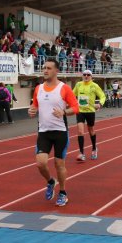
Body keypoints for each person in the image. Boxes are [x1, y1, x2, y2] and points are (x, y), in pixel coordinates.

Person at [28, 59, 79, 207]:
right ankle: (51, 181)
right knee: (40, 163)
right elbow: (34, 105)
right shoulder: (38, 88)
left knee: (59, 164)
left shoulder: (64, 88)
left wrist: (64, 112)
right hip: (43, 132)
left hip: (60, 132)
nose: (45, 70)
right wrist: (32, 110)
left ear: (56, 71)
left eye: (49, 68)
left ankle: (63, 192)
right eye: (44, 68)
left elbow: (75, 108)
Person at [73, 70, 105, 161]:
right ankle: (81, 153)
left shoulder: (95, 86)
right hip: (80, 111)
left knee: (91, 130)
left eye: (88, 75)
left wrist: (100, 104)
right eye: (84, 75)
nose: (86, 76)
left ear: (91, 76)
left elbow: (102, 95)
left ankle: (94, 148)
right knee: (80, 131)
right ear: (82, 76)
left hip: (90, 111)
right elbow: (72, 94)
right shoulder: (78, 84)